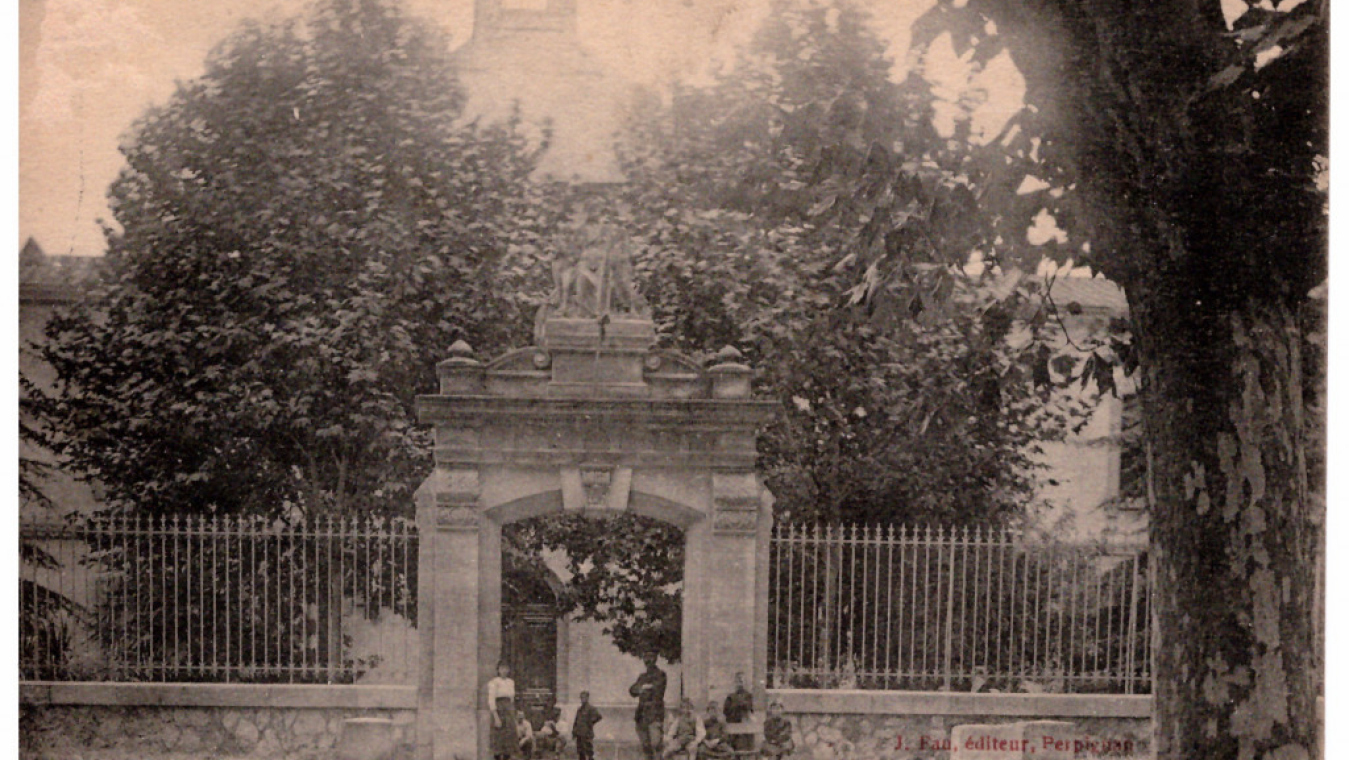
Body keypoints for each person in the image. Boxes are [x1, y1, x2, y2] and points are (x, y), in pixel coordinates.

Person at [629, 652, 668, 760]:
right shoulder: (642, 677)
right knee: (645, 747)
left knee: (656, 745)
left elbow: (658, 691)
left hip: (654, 715)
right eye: (645, 657)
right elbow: (632, 690)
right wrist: (644, 687)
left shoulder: (660, 674)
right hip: (641, 716)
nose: (648, 660)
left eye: (650, 657)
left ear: (655, 659)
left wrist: (642, 689)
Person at [487, 662, 519, 760]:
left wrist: (512, 713)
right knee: (498, 740)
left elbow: (512, 699)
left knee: (508, 739)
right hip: (499, 711)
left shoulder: (511, 682)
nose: (504, 671)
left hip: (509, 711)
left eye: (506, 668)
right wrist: (496, 717)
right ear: (498, 670)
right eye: (502, 668)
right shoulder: (494, 682)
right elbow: (491, 700)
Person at [722, 672, 755, 753]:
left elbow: (750, 709)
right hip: (733, 725)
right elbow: (726, 711)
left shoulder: (749, 696)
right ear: (735, 683)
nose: (740, 684)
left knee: (744, 747)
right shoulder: (730, 697)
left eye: (742, 681)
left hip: (745, 727)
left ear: (745, 683)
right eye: (738, 681)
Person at [572, 691, 603, 760]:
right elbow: (576, 721)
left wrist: (591, 722)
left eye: (584, 697)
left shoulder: (591, 708)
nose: (582, 699)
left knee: (589, 752)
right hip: (579, 734)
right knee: (580, 752)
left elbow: (599, 716)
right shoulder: (579, 709)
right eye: (581, 698)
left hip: (587, 734)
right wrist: (574, 731)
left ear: (587, 698)